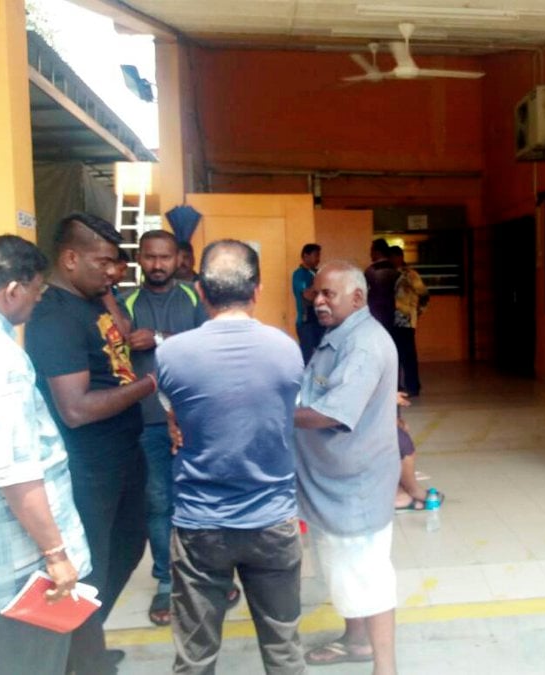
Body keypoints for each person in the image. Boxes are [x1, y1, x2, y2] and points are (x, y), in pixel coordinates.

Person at [157, 239, 306, 674]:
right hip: (273, 520)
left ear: (201, 291)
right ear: (257, 290)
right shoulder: (287, 349)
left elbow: (175, 418)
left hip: (200, 524)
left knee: (195, 654)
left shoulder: (170, 355)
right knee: (283, 648)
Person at [25, 212, 156, 674]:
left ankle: (87, 640)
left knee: (128, 545)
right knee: (89, 567)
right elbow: (75, 409)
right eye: (104, 263)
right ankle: (84, 661)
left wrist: (107, 292)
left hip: (122, 452)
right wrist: (147, 386)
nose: (114, 271)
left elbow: (118, 339)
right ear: (70, 258)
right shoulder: (54, 317)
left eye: (117, 264)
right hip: (87, 465)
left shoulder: (91, 299)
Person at [0, 235, 91, 675]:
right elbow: (13, 470)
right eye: (36, 290)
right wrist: (55, 554)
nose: (37, 300)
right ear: (13, 290)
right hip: (17, 565)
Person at [294, 261, 400, 674]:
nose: (318, 301)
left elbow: (330, 413)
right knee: (345, 572)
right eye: (315, 293)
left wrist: (273, 411)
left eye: (328, 295)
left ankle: (384, 667)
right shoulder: (339, 336)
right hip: (332, 481)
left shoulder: (363, 346)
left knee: (368, 576)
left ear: (357, 298)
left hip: (354, 485)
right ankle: (356, 642)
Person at [122, 230, 211, 627]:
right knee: (159, 502)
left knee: (203, 501)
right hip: (147, 421)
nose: (157, 265)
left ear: (179, 259)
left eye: (165, 257)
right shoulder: (125, 303)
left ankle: (209, 575)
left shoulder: (196, 298)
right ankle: (165, 581)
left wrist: (158, 338)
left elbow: (210, 342)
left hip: (196, 419)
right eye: (150, 257)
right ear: (139, 258)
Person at [389, 245, 429, 397]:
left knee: (408, 355)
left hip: (405, 321)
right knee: (395, 355)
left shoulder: (410, 275)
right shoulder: (391, 274)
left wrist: (416, 313)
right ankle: (397, 386)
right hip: (392, 320)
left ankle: (413, 386)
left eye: (393, 257)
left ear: (399, 257)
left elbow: (424, 294)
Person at [292, 242, 323, 364]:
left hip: (320, 321)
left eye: (319, 255)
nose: (318, 259)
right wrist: (320, 290)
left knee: (321, 355)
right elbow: (308, 296)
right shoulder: (299, 274)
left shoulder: (318, 272)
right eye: (316, 255)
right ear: (306, 256)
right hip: (306, 322)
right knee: (308, 358)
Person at [364, 238, 399, 335]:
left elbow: (365, 291)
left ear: (377, 252)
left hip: (375, 312)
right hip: (394, 312)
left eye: (371, 251)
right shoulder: (396, 270)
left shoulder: (371, 271)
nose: (370, 254)